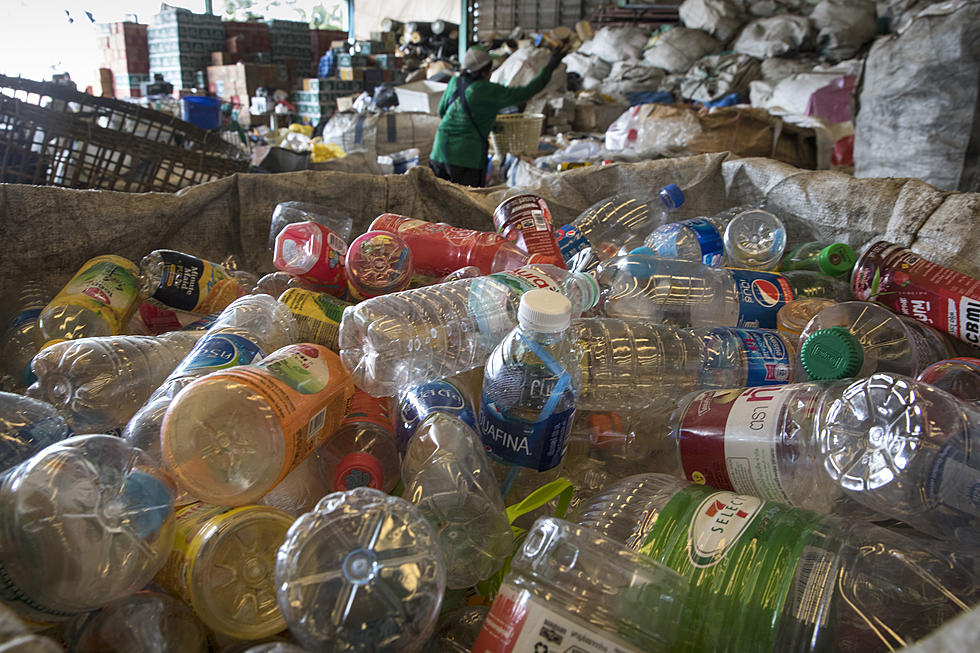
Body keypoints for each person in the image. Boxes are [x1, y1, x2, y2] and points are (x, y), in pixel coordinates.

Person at [429, 44, 567, 187]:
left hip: (439, 152)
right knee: (466, 204)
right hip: (466, 158)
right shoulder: (486, 90)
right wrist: (550, 66)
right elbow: (526, 92)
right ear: (484, 72)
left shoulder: (454, 82)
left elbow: (442, 112)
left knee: (438, 201)